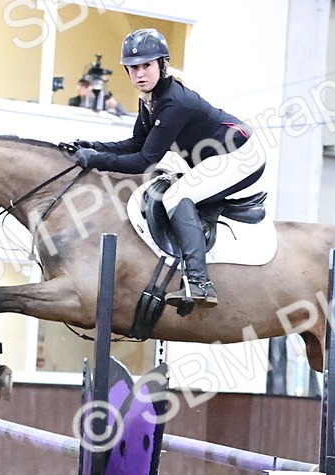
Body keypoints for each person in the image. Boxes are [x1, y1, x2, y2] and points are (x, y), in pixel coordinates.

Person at [65, 28, 265, 309]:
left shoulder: (173, 102)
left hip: (240, 156)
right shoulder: (150, 99)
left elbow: (144, 161)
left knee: (175, 196)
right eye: (133, 68)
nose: (139, 74)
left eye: (146, 65)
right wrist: (95, 146)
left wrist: (96, 159)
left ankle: (199, 283)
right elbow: (136, 142)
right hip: (213, 158)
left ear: (161, 64)